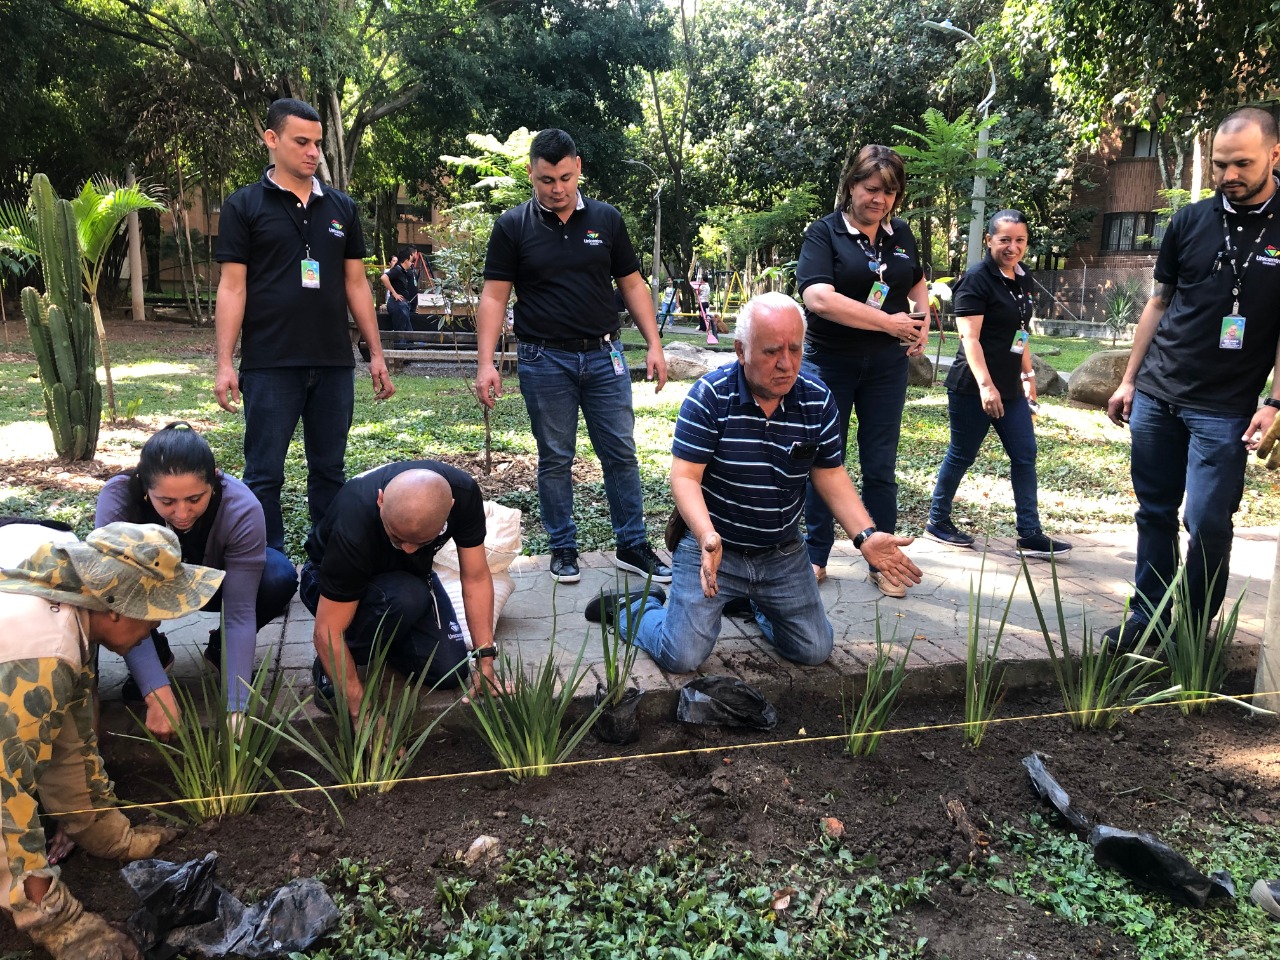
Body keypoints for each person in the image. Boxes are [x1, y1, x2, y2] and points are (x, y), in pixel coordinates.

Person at [585, 294, 921, 673]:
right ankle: (636, 609)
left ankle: (757, 600)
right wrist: (706, 535)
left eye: (795, 349)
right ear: (741, 350)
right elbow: (684, 477)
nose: (786, 363)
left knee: (814, 648)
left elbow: (830, 475)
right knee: (681, 655)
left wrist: (865, 536)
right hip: (713, 550)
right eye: (772, 351)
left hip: (781, 552)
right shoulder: (710, 396)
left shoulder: (816, 399)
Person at [0, 520, 223, 960]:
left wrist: (110, 837)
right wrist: (61, 923)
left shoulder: (70, 571)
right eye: (155, 609)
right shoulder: (35, 653)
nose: (157, 624)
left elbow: (68, 741)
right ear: (116, 608)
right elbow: (7, 800)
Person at [1105, 107, 1280, 649]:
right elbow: (1158, 304)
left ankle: (1192, 630)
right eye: (1221, 163)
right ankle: (1149, 618)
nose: (1229, 175)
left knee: (1207, 522)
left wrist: (1275, 401)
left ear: (1275, 155)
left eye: (1242, 164)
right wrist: (1129, 379)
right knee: (1153, 512)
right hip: (1159, 392)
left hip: (1225, 407)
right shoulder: (1191, 220)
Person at [473, 127, 671, 586]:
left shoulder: (607, 219)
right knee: (555, 457)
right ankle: (563, 547)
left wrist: (655, 343)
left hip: (605, 357)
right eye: (546, 180)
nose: (557, 188)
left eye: (565, 177)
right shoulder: (512, 227)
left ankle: (632, 545)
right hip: (545, 361)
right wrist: (486, 363)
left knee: (621, 453)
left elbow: (633, 284)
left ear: (578, 167)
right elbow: (494, 297)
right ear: (531, 175)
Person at [214, 97, 395, 555]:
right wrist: (223, 363)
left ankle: (328, 564)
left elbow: (356, 285)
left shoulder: (341, 208)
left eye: (318, 144)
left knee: (330, 472)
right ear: (271, 140)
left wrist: (375, 353)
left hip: (333, 362)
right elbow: (233, 289)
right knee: (263, 475)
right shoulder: (243, 206)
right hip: (271, 364)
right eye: (302, 142)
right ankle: (266, 567)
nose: (314, 152)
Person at [95, 422, 299, 729]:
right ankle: (153, 652)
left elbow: (240, 612)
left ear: (214, 481)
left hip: (215, 582)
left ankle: (222, 651)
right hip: (144, 590)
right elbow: (118, 600)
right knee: (96, 594)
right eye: (166, 502)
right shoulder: (118, 500)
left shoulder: (241, 506)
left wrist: (236, 707)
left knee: (277, 576)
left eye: (195, 499)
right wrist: (156, 692)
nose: (182, 514)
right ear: (145, 488)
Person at [796, 144, 929, 598]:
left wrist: (923, 319)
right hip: (829, 363)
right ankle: (815, 556)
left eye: (889, 192)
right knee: (823, 459)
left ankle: (884, 559)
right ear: (851, 185)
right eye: (871, 189)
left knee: (880, 464)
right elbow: (818, 298)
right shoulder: (824, 233)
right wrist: (889, 322)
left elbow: (915, 280)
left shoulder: (902, 234)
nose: (880, 200)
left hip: (887, 367)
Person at [924, 210, 1071, 558]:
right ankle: (937, 521)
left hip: (1010, 387)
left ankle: (1030, 533)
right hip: (972, 386)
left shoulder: (1022, 278)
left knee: (1025, 454)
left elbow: (1020, 330)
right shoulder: (977, 279)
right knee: (962, 454)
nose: (1012, 247)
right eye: (1004, 239)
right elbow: (969, 339)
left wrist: (1027, 374)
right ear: (990, 240)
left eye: (1019, 240)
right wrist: (986, 387)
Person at [300, 461, 499, 716]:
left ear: (450, 508)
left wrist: (485, 660)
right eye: (396, 536)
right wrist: (363, 714)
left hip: (407, 579)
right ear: (380, 500)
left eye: (421, 542)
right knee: (407, 596)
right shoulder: (353, 524)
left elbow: (476, 578)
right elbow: (327, 631)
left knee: (449, 672)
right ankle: (333, 661)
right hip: (328, 580)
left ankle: (386, 632)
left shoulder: (463, 494)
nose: (407, 549)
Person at [380, 246, 423, 334]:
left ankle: (410, 346)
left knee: (408, 330)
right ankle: (401, 347)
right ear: (406, 261)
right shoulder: (397, 270)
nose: (411, 264)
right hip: (397, 304)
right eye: (410, 262)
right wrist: (394, 293)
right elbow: (384, 278)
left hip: (403, 304)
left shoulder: (404, 272)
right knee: (401, 332)